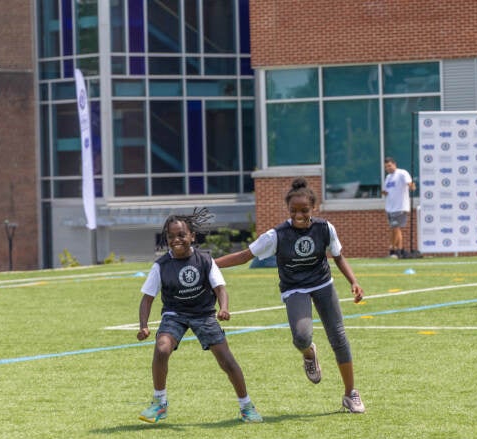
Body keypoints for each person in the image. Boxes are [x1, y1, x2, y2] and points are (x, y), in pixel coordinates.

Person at [215, 178, 366, 414]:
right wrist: (211, 265)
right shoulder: (276, 235)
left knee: (338, 337)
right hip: (295, 288)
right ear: (288, 210)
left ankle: (350, 394)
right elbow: (246, 255)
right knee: (302, 337)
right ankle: (309, 353)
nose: (299, 215)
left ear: (313, 209)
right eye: (294, 211)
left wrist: (354, 282)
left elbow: (338, 256)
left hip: (323, 284)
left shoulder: (325, 229)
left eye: (304, 210)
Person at [137, 208, 263, 424]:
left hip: (204, 314)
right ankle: (159, 403)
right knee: (161, 348)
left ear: (192, 236)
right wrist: (143, 325)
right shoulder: (161, 266)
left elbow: (220, 288)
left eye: (181, 235)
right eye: (171, 236)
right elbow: (147, 298)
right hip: (175, 314)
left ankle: (246, 406)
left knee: (227, 361)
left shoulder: (205, 260)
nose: (176, 240)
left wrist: (224, 308)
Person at [381, 157, 416, 258]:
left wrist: (412, 186)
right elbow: (385, 191)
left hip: (400, 207)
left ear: (394, 164)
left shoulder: (402, 173)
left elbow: (409, 184)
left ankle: (393, 249)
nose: (388, 168)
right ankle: (399, 250)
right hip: (390, 208)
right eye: (386, 167)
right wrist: (383, 192)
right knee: (393, 229)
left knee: (396, 228)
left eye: (389, 166)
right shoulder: (388, 177)